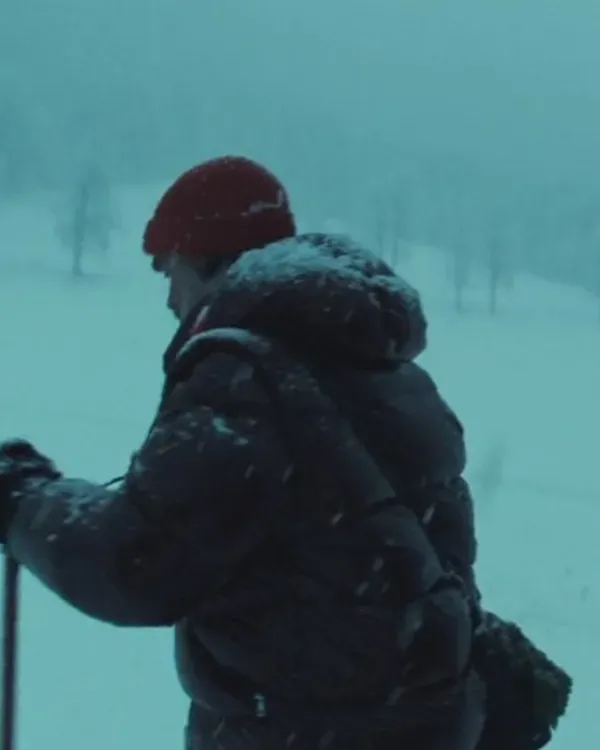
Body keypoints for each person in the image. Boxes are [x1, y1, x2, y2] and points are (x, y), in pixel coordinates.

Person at [0, 156, 570, 750]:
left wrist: (22, 499)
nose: (170, 299)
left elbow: (136, 562)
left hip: (304, 729)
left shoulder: (240, 382)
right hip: (418, 722)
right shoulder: (383, 369)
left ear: (209, 260)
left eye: (171, 271)